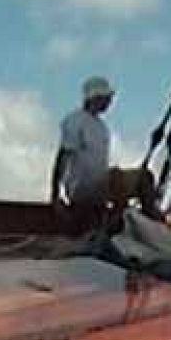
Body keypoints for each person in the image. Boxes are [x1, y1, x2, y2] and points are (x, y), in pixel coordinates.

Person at [51, 76, 159, 234]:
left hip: (100, 185)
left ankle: (132, 224)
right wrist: (55, 196)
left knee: (139, 179)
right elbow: (62, 157)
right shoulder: (75, 121)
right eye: (107, 99)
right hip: (83, 189)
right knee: (132, 178)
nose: (109, 103)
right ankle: (139, 227)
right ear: (96, 98)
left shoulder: (102, 127)